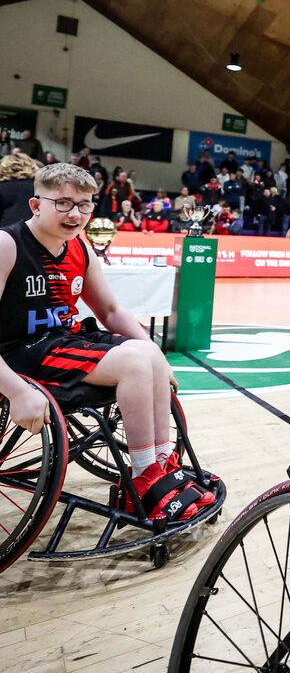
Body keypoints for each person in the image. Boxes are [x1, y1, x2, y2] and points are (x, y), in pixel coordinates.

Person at [0, 163, 213, 521]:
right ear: (36, 206)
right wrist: (17, 391)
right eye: (64, 203)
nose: (76, 214)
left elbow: (111, 310)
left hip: (61, 341)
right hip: (21, 351)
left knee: (147, 353)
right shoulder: (8, 243)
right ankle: (145, 479)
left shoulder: (80, 247)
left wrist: (159, 357)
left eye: (84, 205)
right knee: (133, 364)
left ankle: (163, 470)